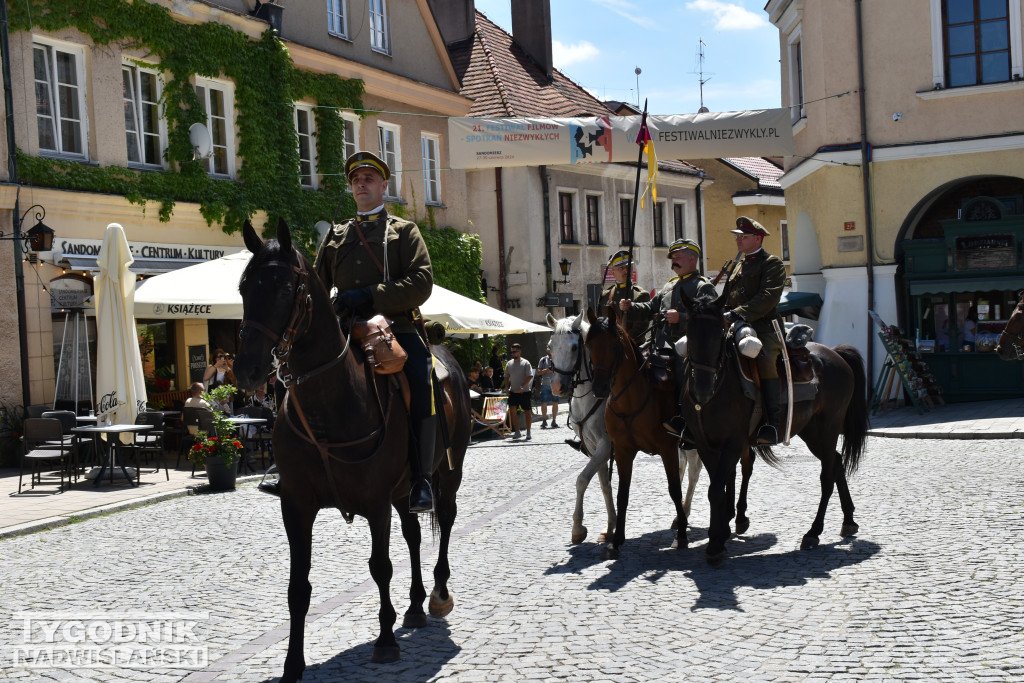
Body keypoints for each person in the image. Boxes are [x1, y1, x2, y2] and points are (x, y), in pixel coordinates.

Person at [262, 150, 437, 513]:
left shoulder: (404, 231)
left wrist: (370, 295)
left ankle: (421, 478)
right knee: (299, 378)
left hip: (395, 329)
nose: (361, 183)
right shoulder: (336, 236)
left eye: (369, 178)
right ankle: (289, 467)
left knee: (423, 381)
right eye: (356, 179)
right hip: (344, 331)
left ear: (384, 186)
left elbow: (422, 282)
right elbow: (313, 286)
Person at [619, 238, 717, 437]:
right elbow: (650, 308)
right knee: (631, 361)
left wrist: (681, 318)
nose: (673, 261)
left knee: (680, 368)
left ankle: (684, 418)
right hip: (660, 342)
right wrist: (631, 307)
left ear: (692, 258)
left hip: (688, 344)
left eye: (678, 257)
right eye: (672, 258)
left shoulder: (702, 287)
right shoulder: (669, 286)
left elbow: (710, 320)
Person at [724, 216, 787, 445]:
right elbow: (728, 297)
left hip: (764, 327)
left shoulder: (772, 263)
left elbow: (768, 297)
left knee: (765, 358)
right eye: (737, 236)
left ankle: (771, 422)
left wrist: (738, 313)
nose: (738, 240)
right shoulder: (738, 264)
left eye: (744, 236)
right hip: (735, 323)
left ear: (758, 238)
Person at [600, 250, 651, 344]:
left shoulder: (640, 294)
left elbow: (641, 327)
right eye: (621, 268)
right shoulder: (605, 295)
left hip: (632, 348)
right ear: (613, 272)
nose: (626, 270)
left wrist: (621, 341)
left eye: (629, 267)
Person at [503, 343, 534, 441]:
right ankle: (517, 431)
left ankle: (528, 432)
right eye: (511, 352)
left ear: (520, 352)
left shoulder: (526, 363)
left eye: (514, 352)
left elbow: (530, 376)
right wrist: (507, 387)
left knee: (527, 411)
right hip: (513, 392)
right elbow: (506, 376)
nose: (512, 353)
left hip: (524, 392)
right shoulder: (509, 363)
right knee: (512, 410)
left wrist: (522, 386)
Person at [535, 342, 559, 428]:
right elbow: (538, 372)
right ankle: (544, 420)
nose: (549, 350)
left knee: (555, 402)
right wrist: (547, 370)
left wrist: (554, 371)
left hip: (555, 384)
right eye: (548, 348)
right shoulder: (543, 359)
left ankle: (554, 420)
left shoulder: (558, 359)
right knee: (543, 402)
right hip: (545, 383)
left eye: (550, 348)